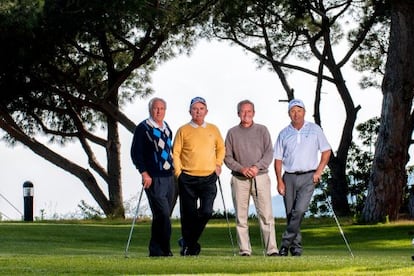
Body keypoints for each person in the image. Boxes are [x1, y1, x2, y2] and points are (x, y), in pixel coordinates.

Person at [274, 99, 331, 256]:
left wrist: (319, 172)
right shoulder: (284, 133)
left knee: (299, 211)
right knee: (290, 214)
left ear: (304, 112)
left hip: (308, 176)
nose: (296, 114)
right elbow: (278, 159)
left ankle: (285, 244)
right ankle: (296, 248)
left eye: (299, 110)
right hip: (289, 177)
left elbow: (326, 152)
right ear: (289, 114)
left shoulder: (314, 129)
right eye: (293, 111)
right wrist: (279, 180)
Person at [224, 100, 278, 257]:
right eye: (242, 111)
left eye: (249, 111)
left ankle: (271, 249)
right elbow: (227, 157)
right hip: (239, 179)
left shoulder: (262, 130)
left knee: (266, 215)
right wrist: (242, 169)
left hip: (260, 177)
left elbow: (269, 153)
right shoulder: (232, 132)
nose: (246, 114)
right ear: (238, 113)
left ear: (253, 113)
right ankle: (245, 250)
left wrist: (256, 167)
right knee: (241, 216)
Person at [172, 96, 225, 256]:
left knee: (206, 211)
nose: (198, 111)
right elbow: (175, 153)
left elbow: (221, 148)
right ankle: (189, 247)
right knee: (188, 215)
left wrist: (218, 164)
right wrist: (178, 173)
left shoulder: (214, 129)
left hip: (209, 177)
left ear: (206, 111)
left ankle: (187, 241)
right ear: (190, 111)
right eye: (195, 109)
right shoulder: (183, 130)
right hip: (187, 177)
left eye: (201, 109)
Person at [130, 97, 175, 257]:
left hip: (169, 177)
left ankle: (158, 250)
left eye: (162, 108)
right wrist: (144, 173)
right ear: (150, 109)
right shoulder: (143, 128)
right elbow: (136, 153)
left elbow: (169, 150)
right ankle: (162, 249)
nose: (159, 111)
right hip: (153, 177)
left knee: (163, 215)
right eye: (156, 108)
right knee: (162, 213)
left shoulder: (166, 127)